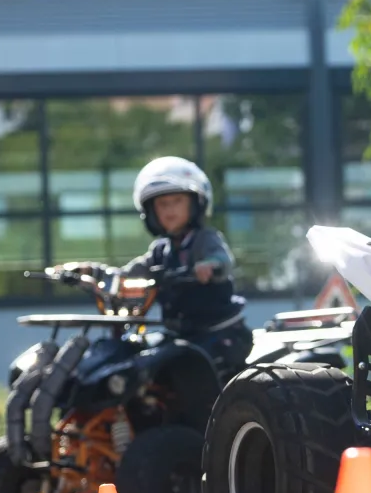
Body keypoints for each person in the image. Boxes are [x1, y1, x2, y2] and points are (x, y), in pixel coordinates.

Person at [60, 156, 253, 381]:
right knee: (138, 362)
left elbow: (223, 260)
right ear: (151, 212)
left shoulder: (205, 239)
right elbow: (127, 275)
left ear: (196, 204)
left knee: (184, 375)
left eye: (178, 201)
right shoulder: (160, 251)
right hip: (179, 335)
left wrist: (209, 266)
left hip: (219, 334)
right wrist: (90, 271)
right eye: (162, 204)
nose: (170, 209)